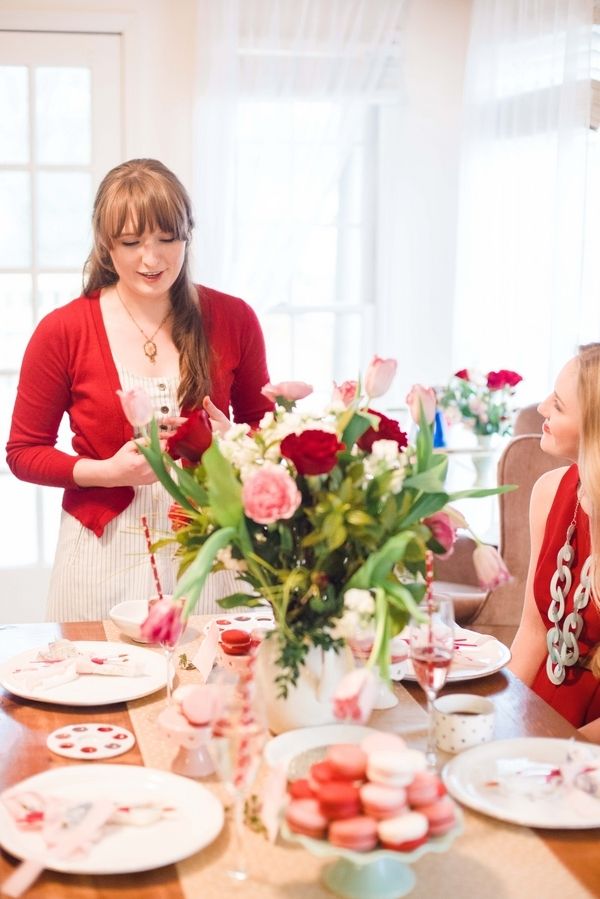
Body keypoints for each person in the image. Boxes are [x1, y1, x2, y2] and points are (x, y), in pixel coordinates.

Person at [6, 158, 273, 621]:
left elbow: (268, 433)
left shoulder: (234, 319)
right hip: (99, 555)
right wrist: (107, 472)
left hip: (210, 555)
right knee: (101, 688)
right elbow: (23, 452)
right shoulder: (63, 331)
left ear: (188, 235)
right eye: (131, 243)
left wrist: (236, 442)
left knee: (211, 691)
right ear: (106, 246)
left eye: (168, 240)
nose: (152, 259)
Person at [509, 344, 600, 741]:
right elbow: (532, 631)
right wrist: (498, 716)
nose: (542, 407)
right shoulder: (549, 492)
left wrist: (565, 749)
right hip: (543, 706)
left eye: (559, 406)